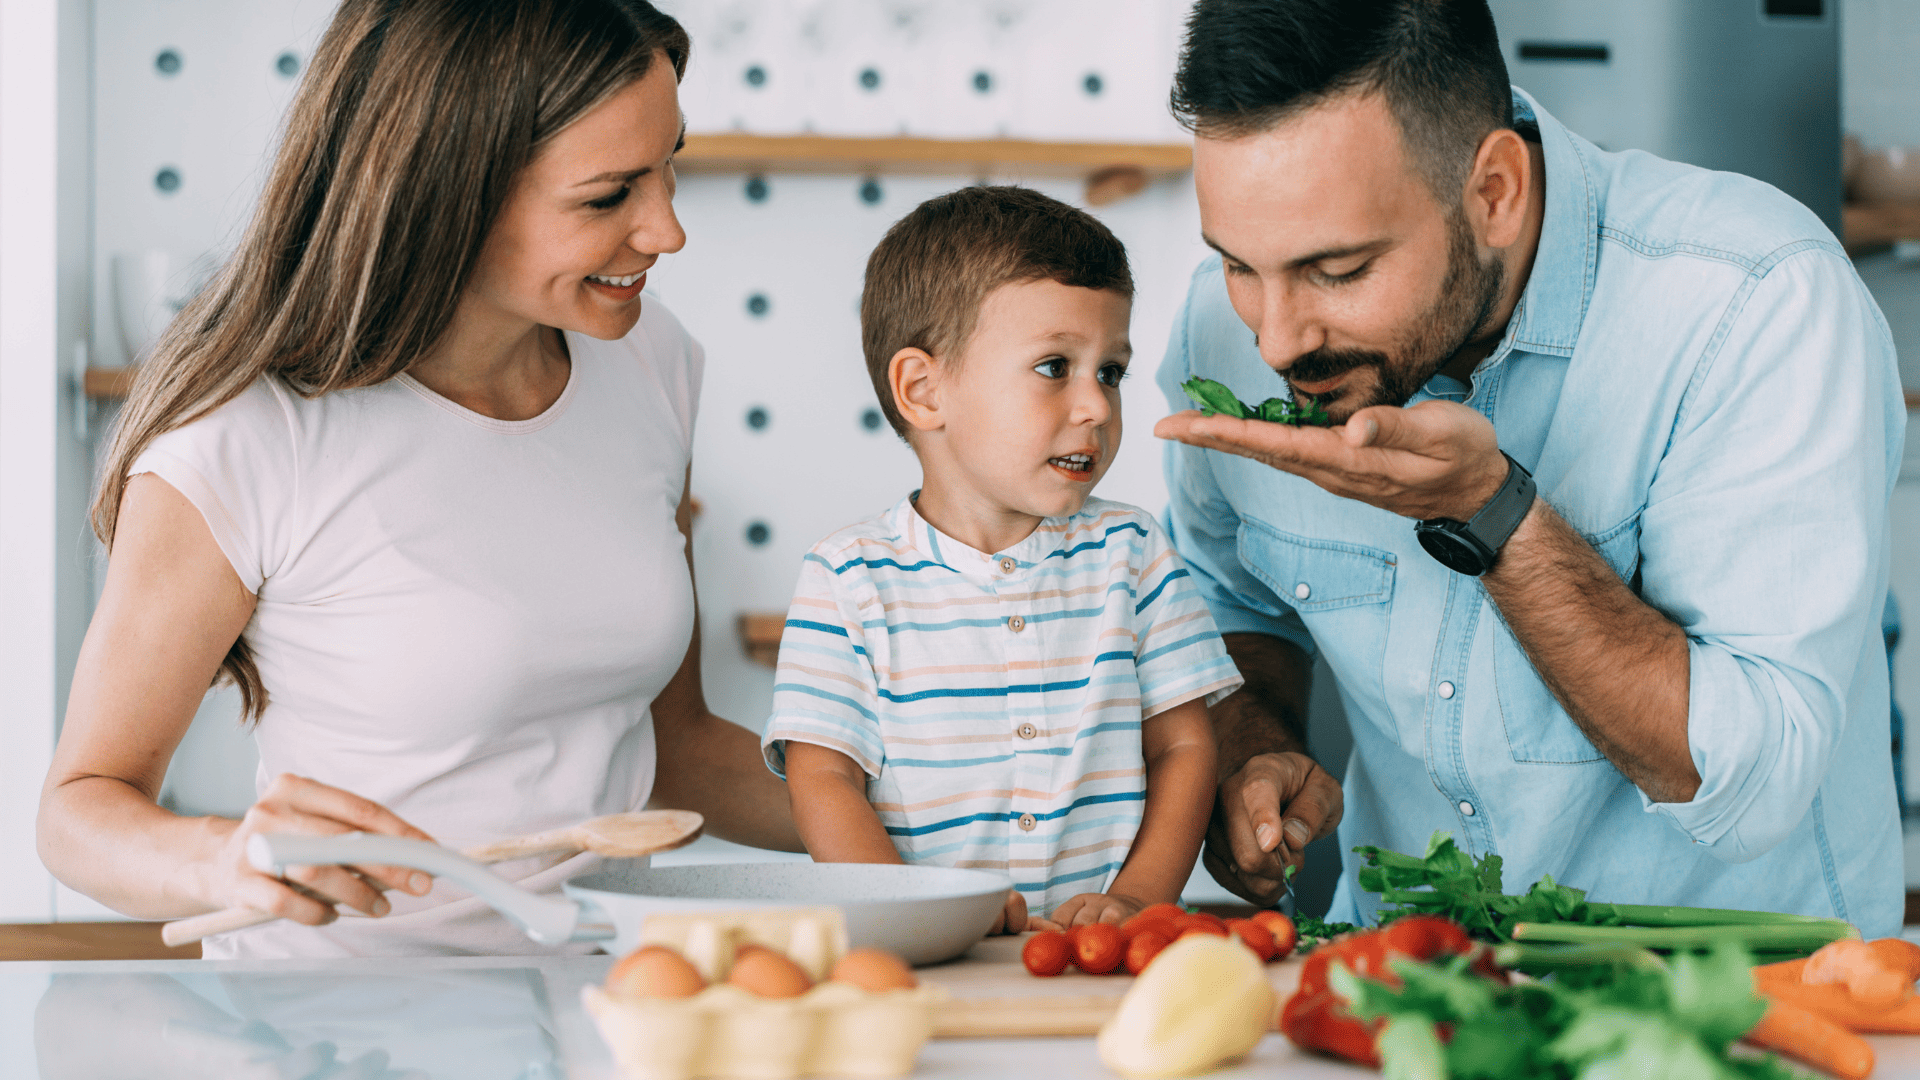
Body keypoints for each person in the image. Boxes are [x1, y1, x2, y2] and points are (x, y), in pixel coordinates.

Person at [36, 0, 800, 958]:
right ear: (447, 193)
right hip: (337, 1033)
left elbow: (677, 749)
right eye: (609, 195)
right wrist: (222, 860)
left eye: (669, 163)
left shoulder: (651, 364)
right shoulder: (245, 434)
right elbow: (78, 812)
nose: (667, 229)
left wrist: (956, 834)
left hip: (600, 1010)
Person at [1155, 0, 1905, 935]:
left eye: (1338, 271)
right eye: (1235, 265)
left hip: (1747, 1015)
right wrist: (1252, 746)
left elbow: (1749, 791)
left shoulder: (1754, 302)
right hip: (1402, 984)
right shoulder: (1220, 331)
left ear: (1496, 191)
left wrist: (1493, 515)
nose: (1274, 337)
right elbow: (1230, 600)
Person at [761, 187, 1242, 929]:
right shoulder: (846, 576)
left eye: (1110, 371)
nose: (1098, 407)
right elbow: (822, 778)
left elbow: (1183, 745)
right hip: (930, 960)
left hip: (1101, 962)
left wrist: (1140, 900)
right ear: (923, 391)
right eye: (1056, 367)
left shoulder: (1134, 553)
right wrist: (917, 916)